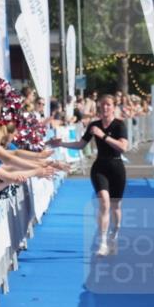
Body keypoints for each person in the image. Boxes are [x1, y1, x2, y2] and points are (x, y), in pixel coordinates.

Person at [50, 94, 129, 255]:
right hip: (100, 167)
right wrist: (62, 144)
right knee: (104, 203)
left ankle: (116, 231)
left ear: (114, 107)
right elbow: (81, 144)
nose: (105, 108)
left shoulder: (119, 125)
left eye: (108, 105)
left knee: (116, 206)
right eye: (102, 105)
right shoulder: (94, 125)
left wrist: (103, 136)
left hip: (117, 167)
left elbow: (123, 147)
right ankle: (103, 242)